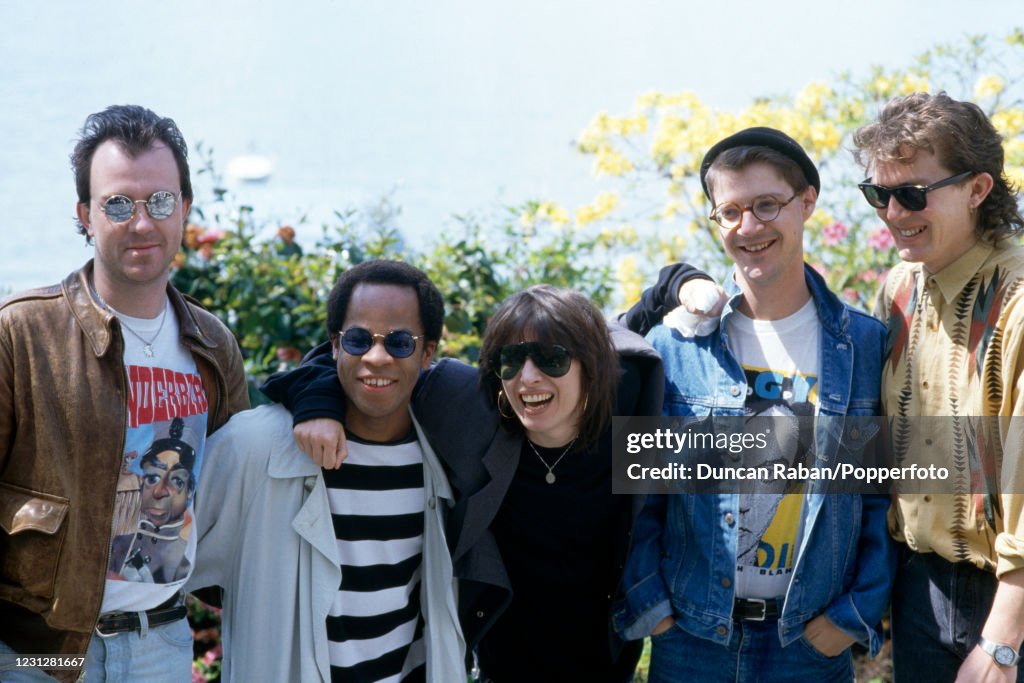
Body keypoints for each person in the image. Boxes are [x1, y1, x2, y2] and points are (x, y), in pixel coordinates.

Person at [261, 279, 698, 680]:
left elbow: (761, 460)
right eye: (512, 360)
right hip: (499, 668)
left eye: (552, 358)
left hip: (606, 667)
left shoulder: (628, 423)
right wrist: (319, 402)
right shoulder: (474, 412)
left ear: (591, 366)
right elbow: (363, 360)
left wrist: (687, 284)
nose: (529, 377)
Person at [613, 127, 896, 682]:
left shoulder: (862, 345)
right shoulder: (677, 346)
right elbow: (640, 496)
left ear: (807, 201)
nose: (749, 227)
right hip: (693, 639)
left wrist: (852, 615)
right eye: (731, 211)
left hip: (810, 645)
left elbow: (880, 497)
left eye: (767, 205)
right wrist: (655, 607)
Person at [0, 104, 249, 682]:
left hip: (161, 641)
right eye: (118, 204)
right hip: (44, 653)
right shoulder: (22, 334)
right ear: (86, 215)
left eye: (160, 201)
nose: (142, 222)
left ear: (185, 209)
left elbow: (238, 480)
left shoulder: (213, 344)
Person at [188, 260, 466, 682]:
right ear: (334, 345)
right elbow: (162, 570)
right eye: (357, 340)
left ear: (428, 352)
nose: (376, 357)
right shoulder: (253, 448)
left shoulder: (445, 451)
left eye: (400, 342)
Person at [852, 92, 1024, 682]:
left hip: (1009, 606)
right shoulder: (899, 286)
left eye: (912, 193)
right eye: (879, 194)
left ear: (978, 190)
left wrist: (1002, 644)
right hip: (917, 590)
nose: (894, 213)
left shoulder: (1018, 303)